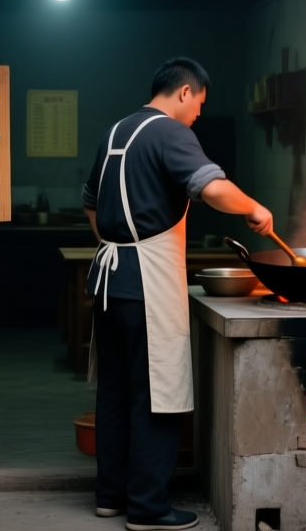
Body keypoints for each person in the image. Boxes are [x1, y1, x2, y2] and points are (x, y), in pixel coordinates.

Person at [82, 57, 273, 531]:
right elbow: (210, 188)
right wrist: (253, 207)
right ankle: (148, 508)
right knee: (156, 394)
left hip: (107, 283)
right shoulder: (170, 132)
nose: (198, 116)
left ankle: (110, 496)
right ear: (184, 92)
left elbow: (90, 203)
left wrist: (120, 244)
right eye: (199, 104)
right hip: (147, 283)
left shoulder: (115, 132)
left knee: (114, 392)